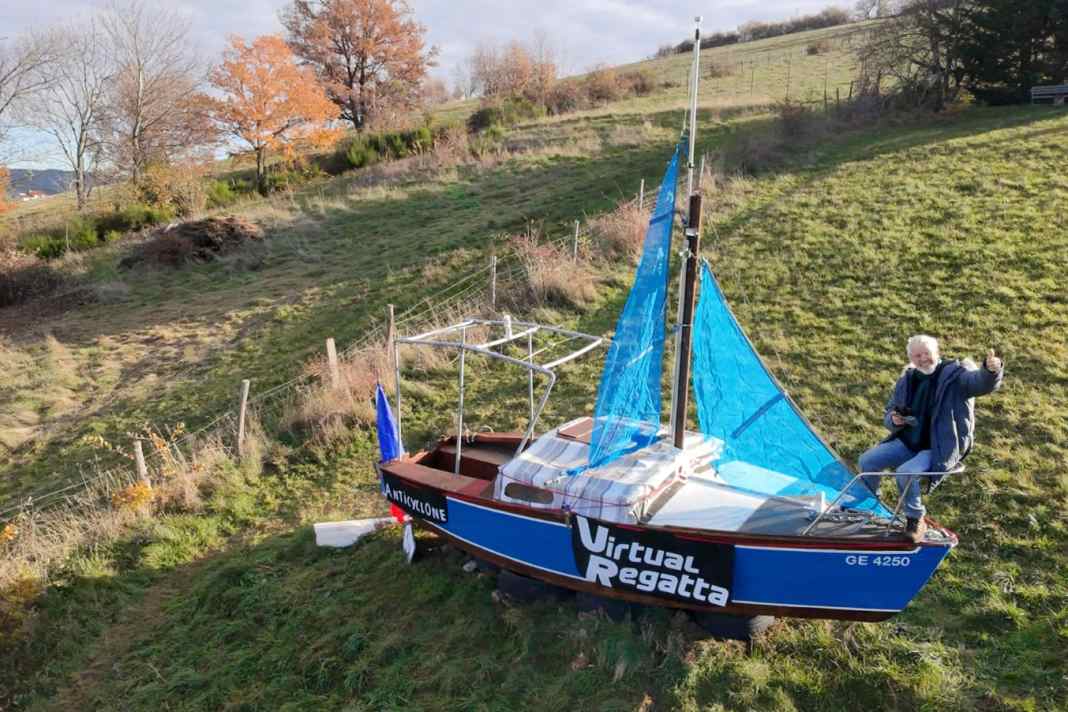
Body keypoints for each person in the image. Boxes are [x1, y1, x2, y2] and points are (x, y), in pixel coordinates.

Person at [858, 335, 1004, 542]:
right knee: (868, 460)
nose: (923, 358)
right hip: (909, 441)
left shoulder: (956, 375)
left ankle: (916, 519)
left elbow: (980, 384)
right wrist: (894, 419)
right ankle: (867, 507)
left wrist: (991, 371)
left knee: (906, 472)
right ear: (911, 358)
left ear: (936, 353)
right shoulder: (907, 379)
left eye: (926, 353)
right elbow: (890, 411)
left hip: (938, 446)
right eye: (917, 355)